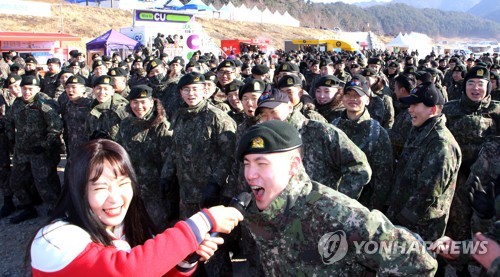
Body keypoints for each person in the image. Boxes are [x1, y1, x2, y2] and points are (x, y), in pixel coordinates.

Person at [238, 120, 437, 276]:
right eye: (247, 163)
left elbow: (418, 263)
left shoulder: (336, 214)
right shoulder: (257, 211)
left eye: (262, 163)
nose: (250, 174)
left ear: (293, 165)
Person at [30, 139, 243, 276]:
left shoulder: (123, 228)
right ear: (78, 190)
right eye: (101, 187)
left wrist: (183, 260)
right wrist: (203, 222)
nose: (115, 199)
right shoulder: (53, 239)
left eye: (123, 184)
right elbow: (128, 271)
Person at [160, 72, 237, 276]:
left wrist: (216, 183)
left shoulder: (217, 117)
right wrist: (166, 175)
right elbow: (174, 150)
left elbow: (229, 155)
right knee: (192, 242)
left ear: (205, 90)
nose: (191, 93)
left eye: (195, 89)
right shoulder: (178, 116)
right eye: (186, 90)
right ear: (180, 93)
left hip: (210, 194)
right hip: (186, 193)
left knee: (214, 248)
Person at [256, 90, 371, 199]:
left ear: (290, 107)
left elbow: (359, 168)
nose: (269, 119)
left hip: (320, 214)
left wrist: (337, 203)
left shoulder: (320, 132)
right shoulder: (265, 140)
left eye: (273, 112)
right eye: (264, 115)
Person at [6, 75, 62, 224]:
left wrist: (44, 145)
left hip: (40, 151)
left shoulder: (44, 104)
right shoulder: (17, 104)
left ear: (38, 89)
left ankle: (56, 210)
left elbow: (56, 128)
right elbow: (9, 121)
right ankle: (27, 207)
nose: (26, 92)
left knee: (45, 182)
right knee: (17, 181)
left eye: (30, 89)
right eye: (24, 89)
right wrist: (11, 138)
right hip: (21, 150)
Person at [117, 85, 172, 230]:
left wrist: (165, 179)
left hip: (156, 190)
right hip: (131, 185)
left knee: (156, 227)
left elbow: (169, 159)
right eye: (135, 102)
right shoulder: (126, 124)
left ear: (152, 102)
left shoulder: (161, 126)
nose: (139, 106)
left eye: (143, 102)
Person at [332, 81, 393, 211]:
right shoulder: (334, 126)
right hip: (334, 202)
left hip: (362, 206)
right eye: (348, 94)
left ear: (367, 100)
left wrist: (373, 209)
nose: (352, 99)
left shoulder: (377, 133)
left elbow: (383, 178)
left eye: (358, 95)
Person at [0, 74, 22, 218]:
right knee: (3, 168)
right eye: (11, 87)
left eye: (16, 85)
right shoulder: (3, 96)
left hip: (21, 139)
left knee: (21, 169)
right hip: (3, 136)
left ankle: (29, 198)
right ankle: (8, 200)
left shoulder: (28, 97)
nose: (14, 89)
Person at [85, 75, 129, 141]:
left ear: (112, 91)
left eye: (106, 89)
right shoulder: (91, 107)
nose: (102, 92)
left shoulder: (121, 108)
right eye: (98, 88)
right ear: (93, 90)